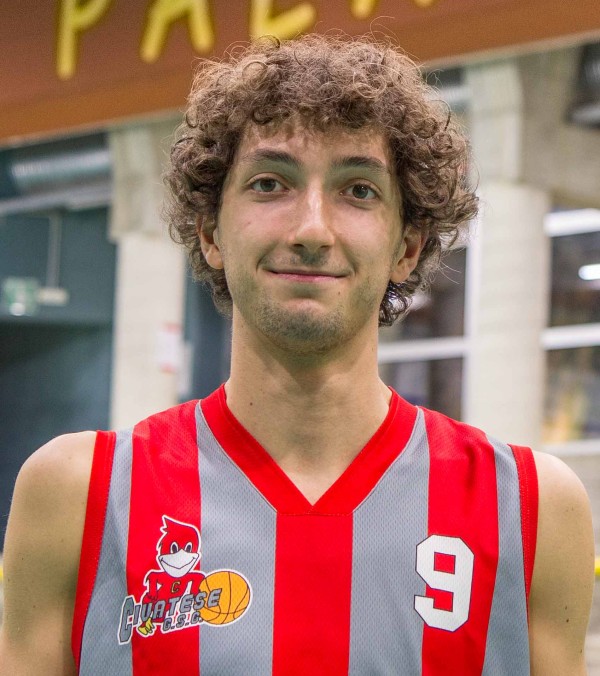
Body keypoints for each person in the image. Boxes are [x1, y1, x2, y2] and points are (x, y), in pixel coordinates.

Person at [0, 34, 594, 675]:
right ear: (211, 233)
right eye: (269, 183)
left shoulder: (532, 510)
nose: (312, 228)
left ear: (408, 247)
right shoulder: (76, 497)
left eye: (358, 190)